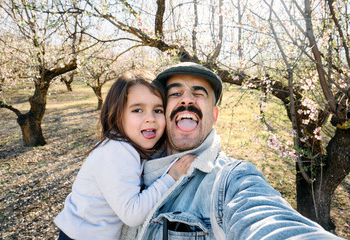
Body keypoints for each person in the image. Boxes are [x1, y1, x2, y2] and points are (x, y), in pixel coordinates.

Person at [119, 62, 344, 239]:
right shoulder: (127, 164)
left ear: (214, 115)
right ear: (160, 110)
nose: (186, 99)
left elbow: (267, 220)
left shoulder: (231, 180)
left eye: (199, 93)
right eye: (175, 94)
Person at [54, 70, 195, 240]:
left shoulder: (129, 147)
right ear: (117, 114)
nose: (150, 118)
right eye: (137, 110)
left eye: (158, 110)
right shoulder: (116, 151)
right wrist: (171, 177)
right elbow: (132, 214)